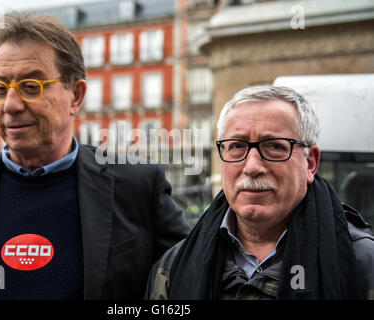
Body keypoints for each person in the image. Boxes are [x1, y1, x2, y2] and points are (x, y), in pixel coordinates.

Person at [0, 13, 190, 300]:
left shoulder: (138, 187)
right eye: (0, 88)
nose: (10, 105)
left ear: (75, 95)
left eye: (31, 87)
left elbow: (191, 278)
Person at [146, 85, 374, 300]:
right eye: (236, 146)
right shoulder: (173, 267)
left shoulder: (363, 263)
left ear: (311, 163)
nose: (252, 166)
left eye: (275, 146)